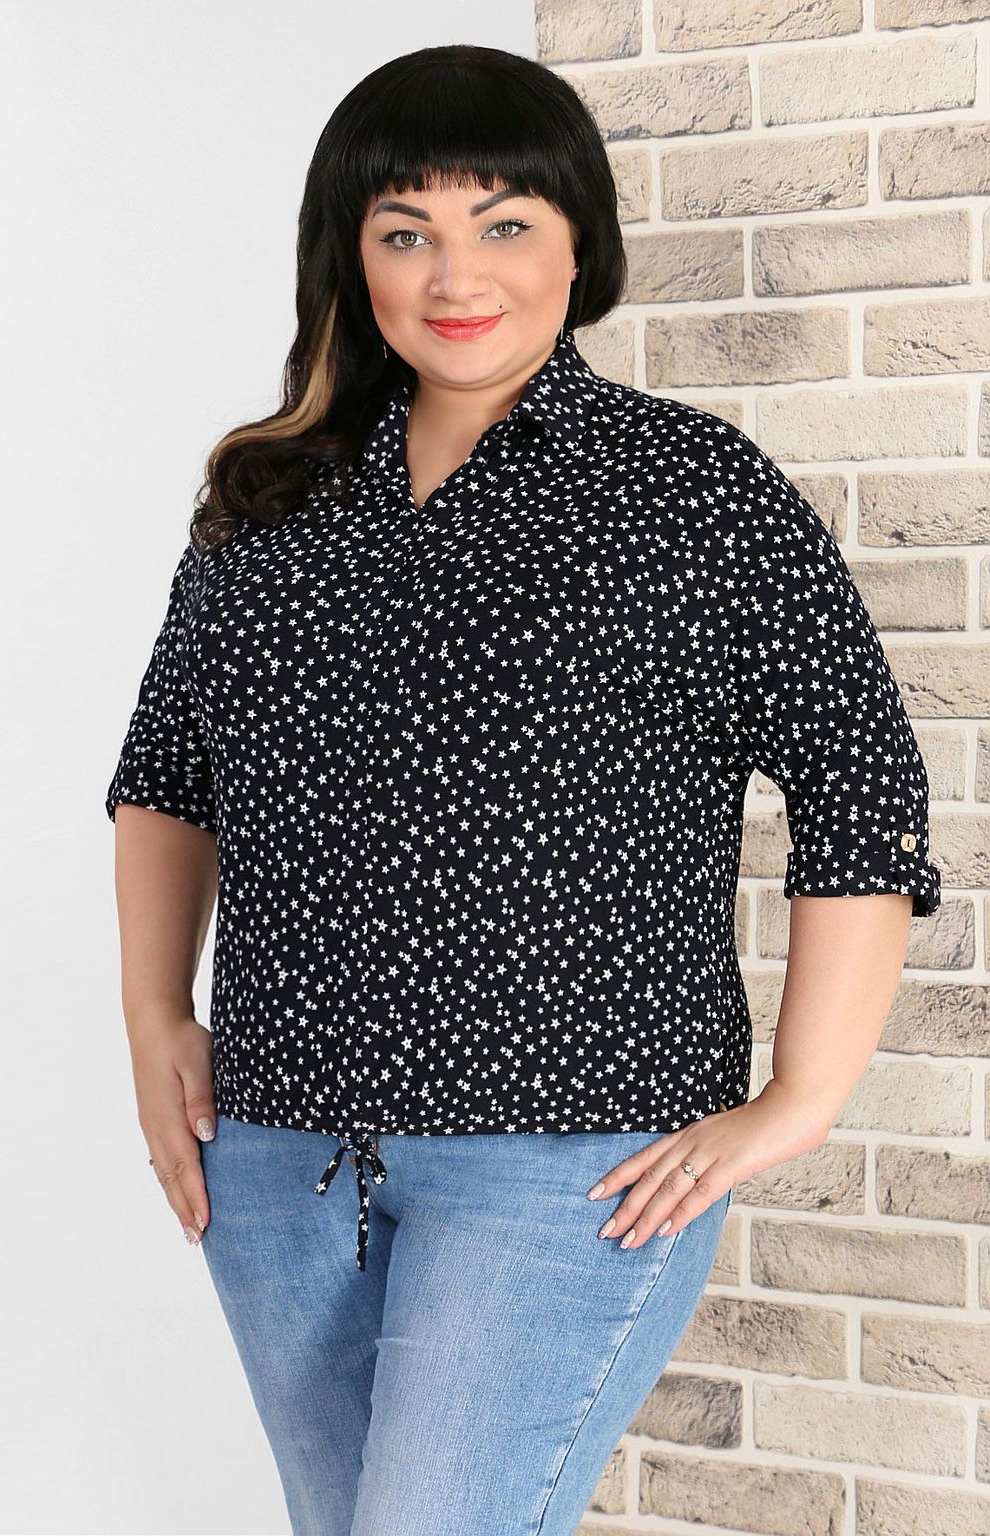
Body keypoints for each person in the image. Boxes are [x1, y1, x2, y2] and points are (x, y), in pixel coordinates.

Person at [105, 43, 941, 1536]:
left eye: (504, 223)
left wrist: (801, 1102)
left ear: (577, 245)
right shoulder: (269, 496)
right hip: (280, 1159)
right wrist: (156, 1013)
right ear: (351, 255)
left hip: (569, 1169)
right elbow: (169, 769)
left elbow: (859, 784)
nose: (455, 274)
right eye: (405, 231)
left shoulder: (696, 495)